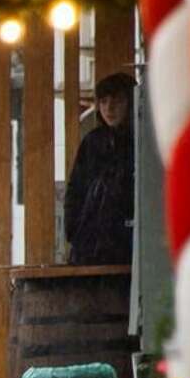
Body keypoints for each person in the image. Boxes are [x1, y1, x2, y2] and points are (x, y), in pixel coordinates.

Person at [64, 71, 137, 266]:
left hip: (129, 243)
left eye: (117, 101)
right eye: (103, 102)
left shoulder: (141, 142)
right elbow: (76, 188)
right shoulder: (93, 142)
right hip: (91, 242)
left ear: (131, 102)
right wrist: (74, 229)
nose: (109, 108)